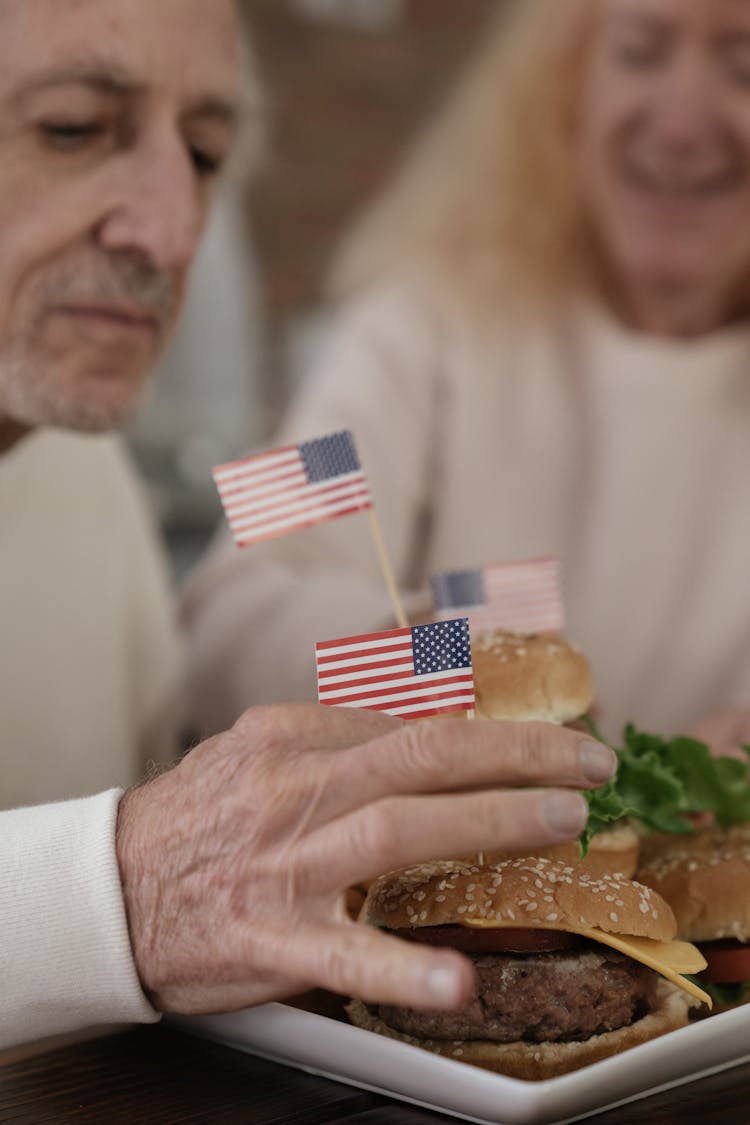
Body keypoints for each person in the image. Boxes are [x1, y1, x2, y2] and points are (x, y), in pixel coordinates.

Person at [0, 0, 614, 1052]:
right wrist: (119, 896)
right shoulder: (428, 318)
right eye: (71, 128)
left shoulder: (85, 475)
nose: (173, 230)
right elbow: (239, 615)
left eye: (204, 155)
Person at [182, 0, 750, 756]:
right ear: (565, 91)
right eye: (640, 52)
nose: (683, 120)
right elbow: (230, 609)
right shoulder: (414, 327)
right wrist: (429, 663)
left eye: (744, 67)